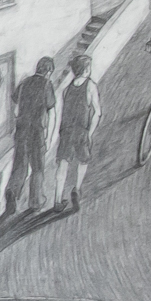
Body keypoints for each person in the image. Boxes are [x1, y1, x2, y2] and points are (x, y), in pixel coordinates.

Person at [5, 55, 54, 216]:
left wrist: (17, 123)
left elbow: (14, 107)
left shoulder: (25, 82)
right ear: (48, 71)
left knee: (20, 165)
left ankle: (12, 191)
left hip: (22, 129)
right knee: (38, 167)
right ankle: (36, 201)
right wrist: (50, 133)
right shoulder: (47, 85)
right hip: (37, 131)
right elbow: (51, 112)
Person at [53, 50, 96, 210]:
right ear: (86, 70)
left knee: (62, 164)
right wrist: (90, 132)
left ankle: (57, 200)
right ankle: (77, 189)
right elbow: (97, 112)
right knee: (83, 161)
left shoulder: (67, 89)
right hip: (81, 129)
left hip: (66, 131)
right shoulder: (90, 85)